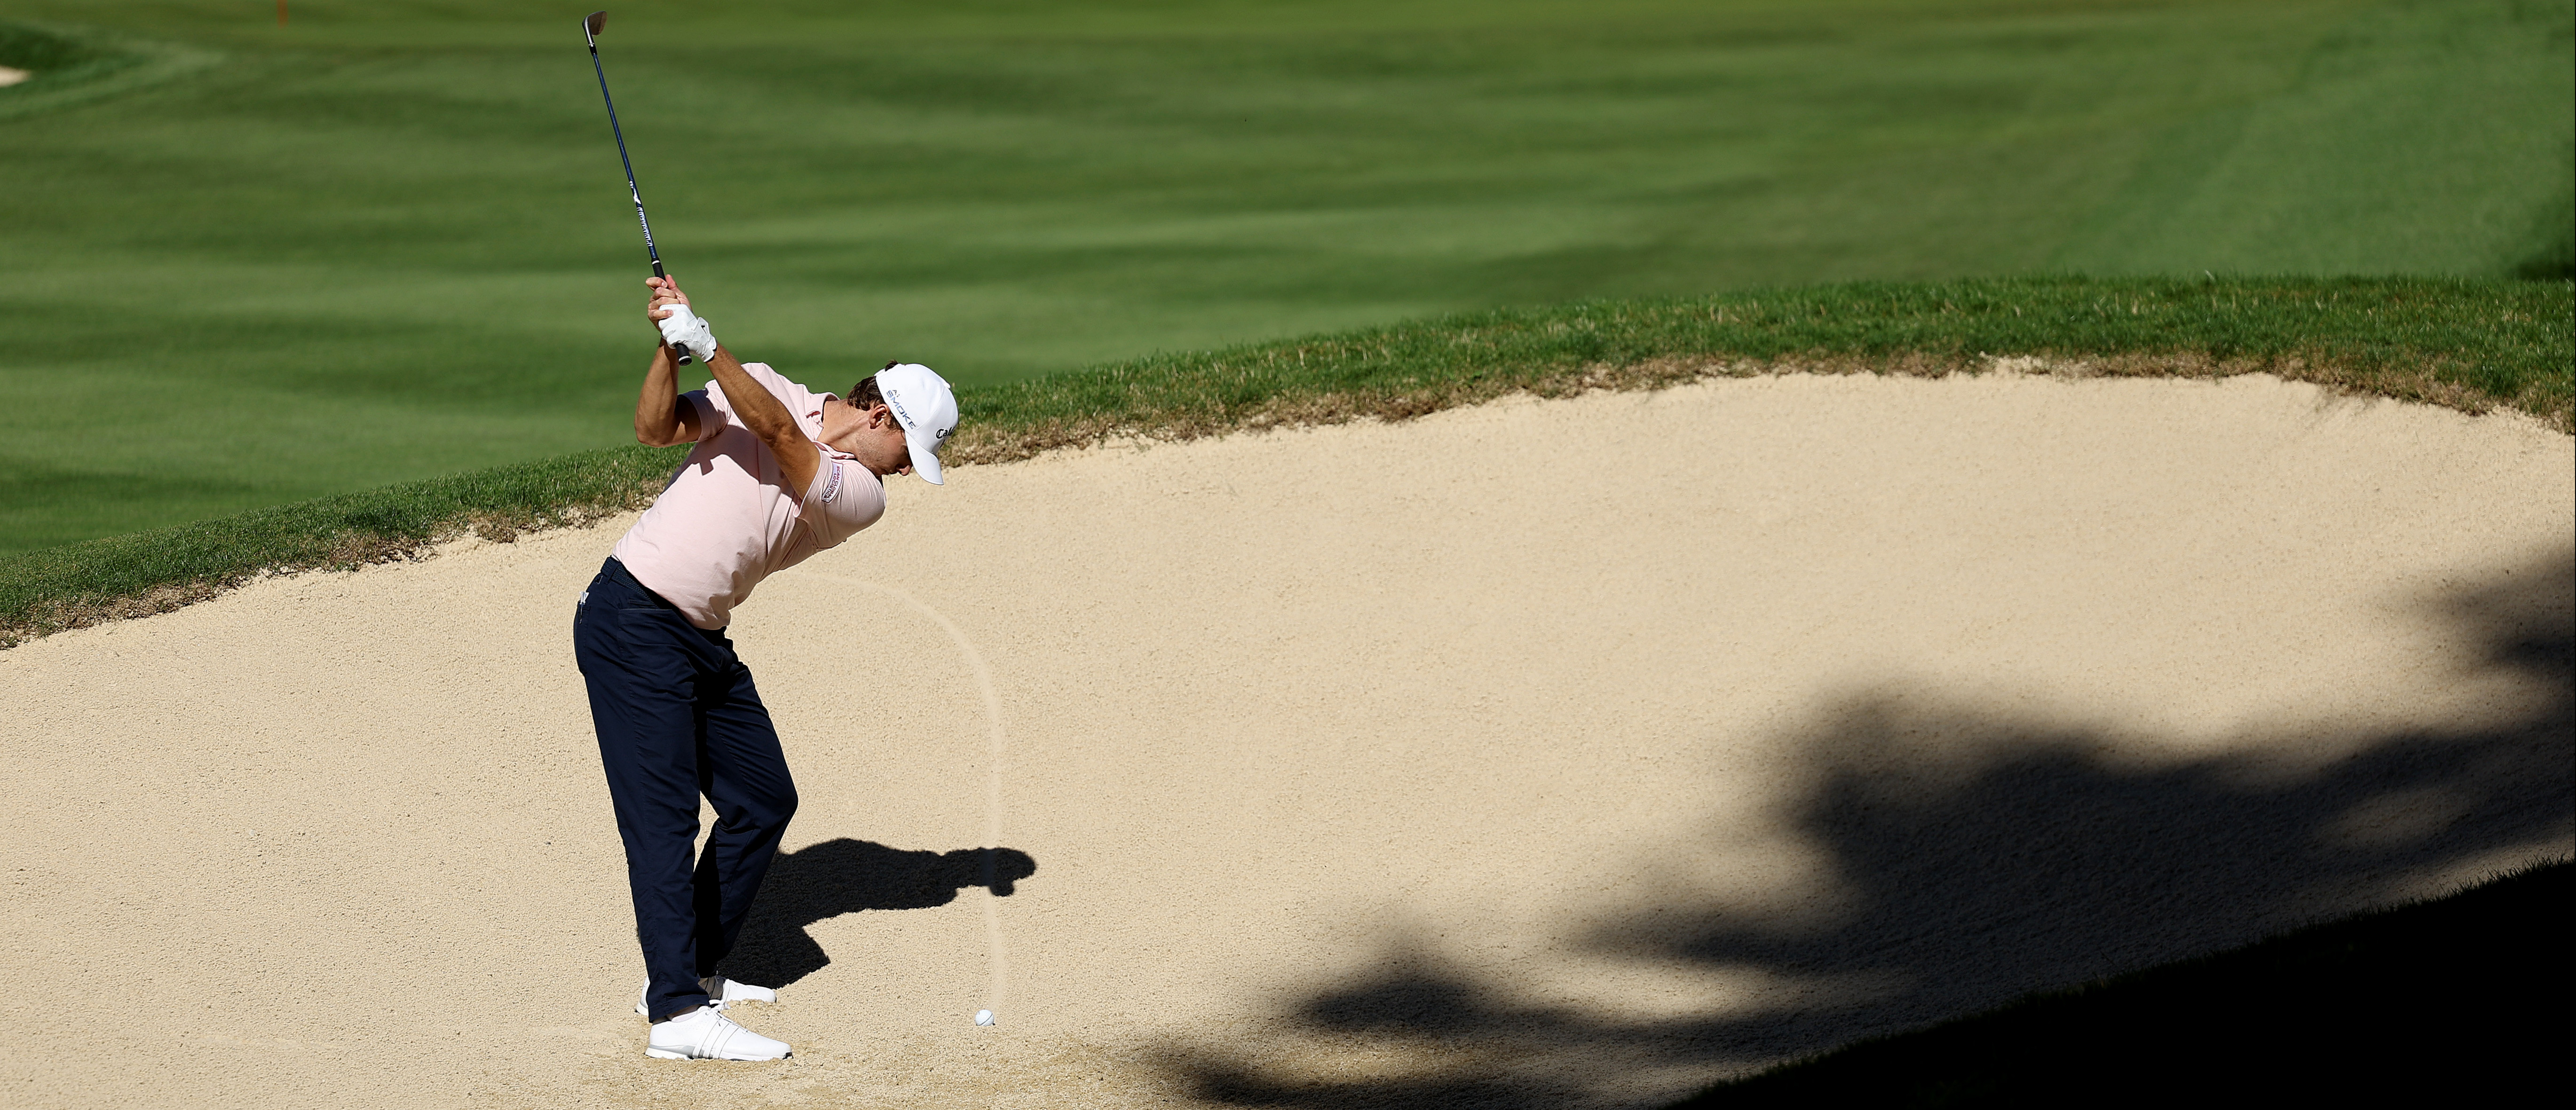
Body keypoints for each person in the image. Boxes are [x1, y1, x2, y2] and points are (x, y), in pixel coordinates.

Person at [571, 275, 957, 1061]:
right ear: (881, 416)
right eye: (907, 452)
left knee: (761, 797)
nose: (905, 472)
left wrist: (709, 345)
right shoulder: (765, 386)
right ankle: (677, 1014)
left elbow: (781, 437)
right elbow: (655, 428)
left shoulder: (861, 495)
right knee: (664, 819)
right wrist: (672, 348)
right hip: (632, 618)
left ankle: (686, 970)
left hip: (699, 635)